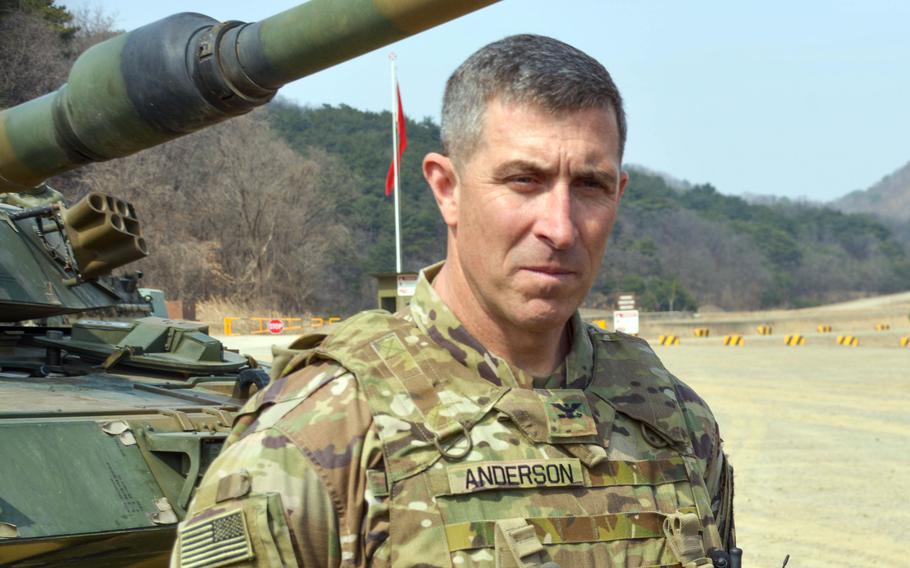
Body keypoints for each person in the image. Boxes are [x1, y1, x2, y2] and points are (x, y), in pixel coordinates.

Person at [172, 34, 735, 568]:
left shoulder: (673, 420)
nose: (561, 228)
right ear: (447, 189)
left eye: (590, 185)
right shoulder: (320, 438)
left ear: (618, 194)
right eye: (524, 180)